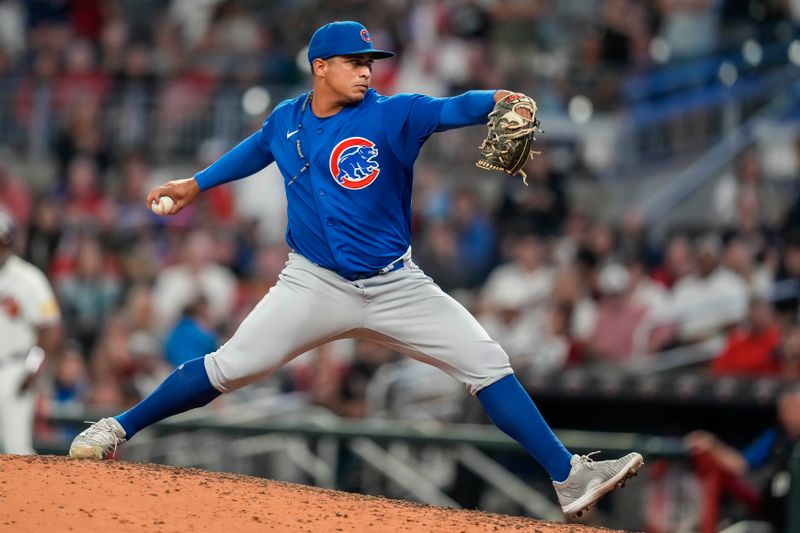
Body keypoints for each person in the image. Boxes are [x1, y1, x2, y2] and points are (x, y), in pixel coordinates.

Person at [69, 21, 642, 517]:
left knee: (486, 361)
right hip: (313, 281)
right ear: (320, 67)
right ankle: (117, 427)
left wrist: (501, 98)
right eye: (354, 62)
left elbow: (454, 108)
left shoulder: (395, 114)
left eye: (371, 62)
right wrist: (196, 184)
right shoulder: (287, 119)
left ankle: (568, 476)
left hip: (396, 284)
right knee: (231, 367)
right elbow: (255, 148)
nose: (367, 71)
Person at [685, 386, 800, 531]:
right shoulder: (776, 438)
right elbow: (741, 464)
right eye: (785, 410)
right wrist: (712, 444)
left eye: (794, 408)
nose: (787, 414)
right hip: (777, 519)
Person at [0, 210, 62, 454]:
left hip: (14, 369)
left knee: (16, 448)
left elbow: (51, 331)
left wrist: (32, 368)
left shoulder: (28, 279)